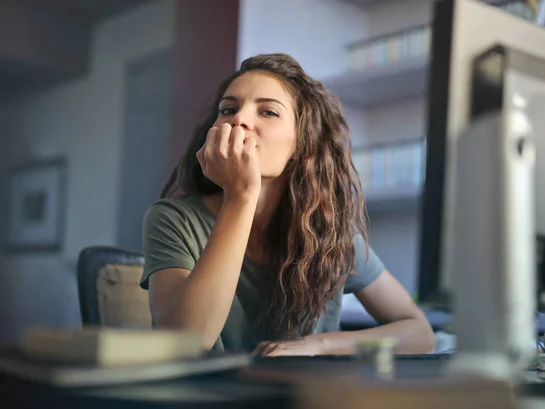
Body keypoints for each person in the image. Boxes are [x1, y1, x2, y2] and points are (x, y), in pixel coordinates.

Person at [140, 53, 435, 356]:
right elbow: (186, 341)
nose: (239, 119)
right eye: (228, 109)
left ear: (301, 143)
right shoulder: (174, 219)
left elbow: (419, 332)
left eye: (268, 112)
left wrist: (320, 345)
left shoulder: (329, 232)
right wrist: (241, 195)